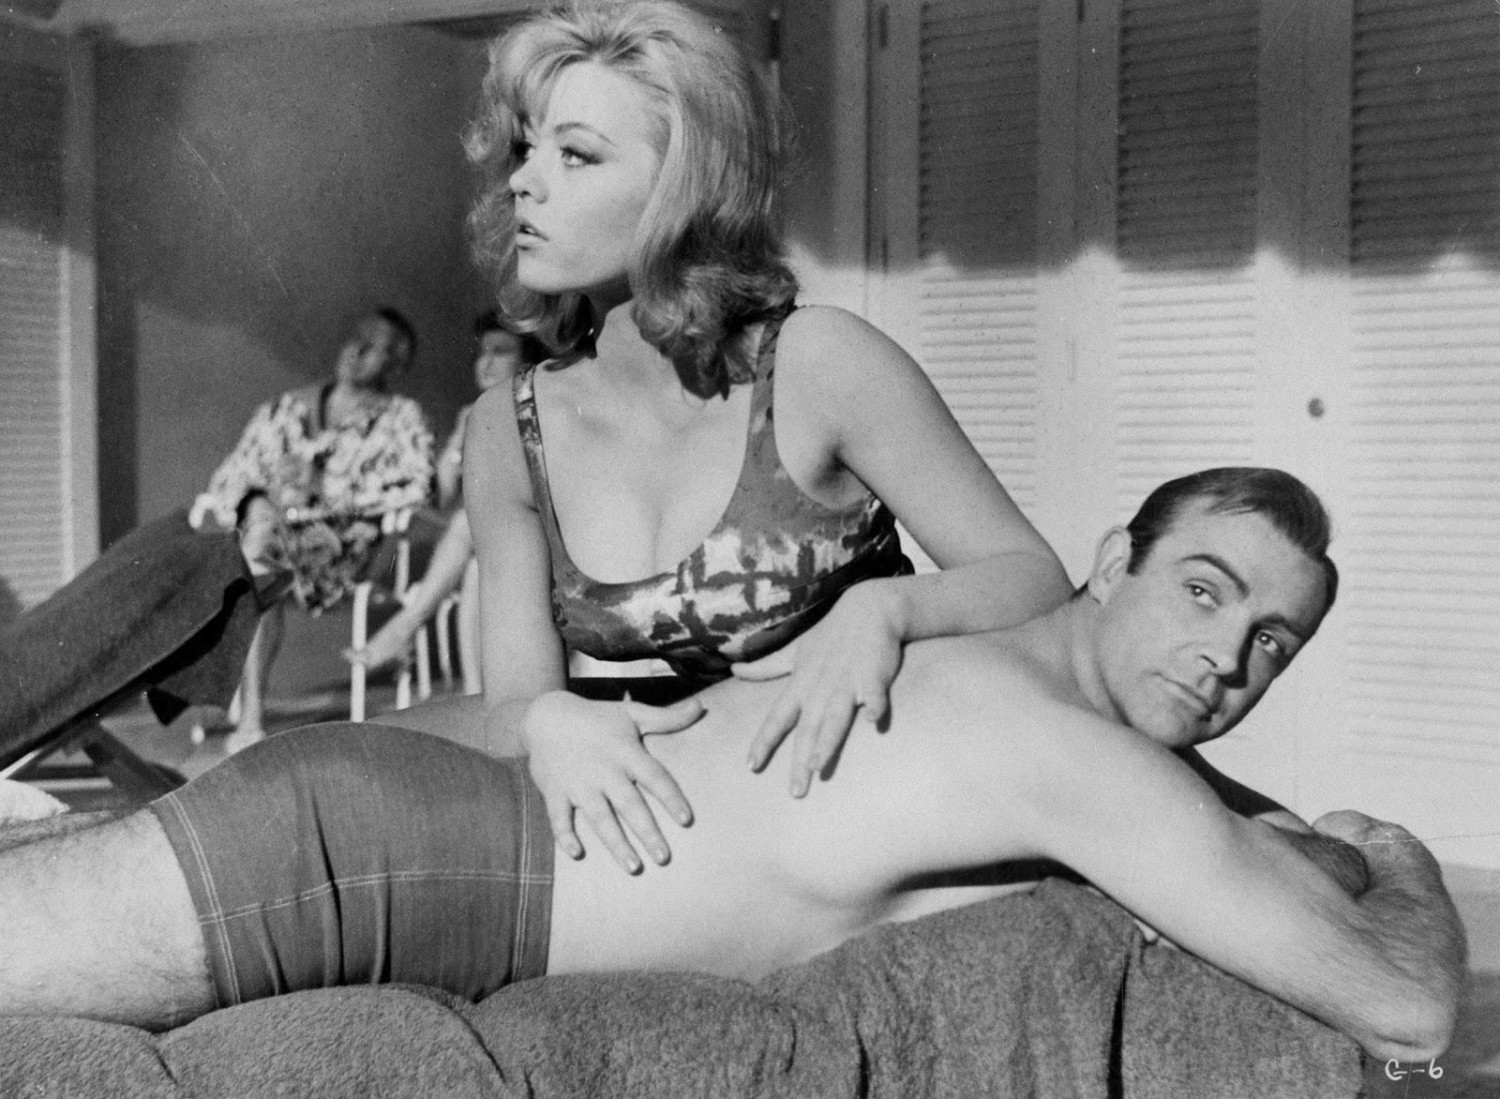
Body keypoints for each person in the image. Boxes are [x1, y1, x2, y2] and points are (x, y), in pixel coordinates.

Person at [0, 469, 1465, 1064]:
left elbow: (1214, 816)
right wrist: (1394, 855)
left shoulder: (1007, 663)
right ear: (1112, 558)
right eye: (1204, 592)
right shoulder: (1076, 758)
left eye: (1271, 641)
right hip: (394, 861)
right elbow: (1407, 999)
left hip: (415, 823)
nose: (1225, 657)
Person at [460, 0, 1073, 874]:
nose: (524, 181)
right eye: (525, 149)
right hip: (682, 862)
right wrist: (546, 718)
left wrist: (885, 609)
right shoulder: (506, 429)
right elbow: (510, 705)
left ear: (686, 184)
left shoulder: (820, 364)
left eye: (577, 154)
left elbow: (1035, 581)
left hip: (896, 823)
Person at [190, 307, 436, 750]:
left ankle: (247, 718)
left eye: (374, 345)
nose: (356, 350)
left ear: (397, 363)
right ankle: (248, 716)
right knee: (257, 551)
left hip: (343, 551)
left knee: (252, 563)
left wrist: (325, 487)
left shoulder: (400, 418)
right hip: (273, 539)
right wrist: (258, 501)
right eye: (355, 337)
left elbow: (419, 485)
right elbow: (228, 478)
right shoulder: (285, 409)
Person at [345, 312, 537, 693]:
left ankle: (406, 625)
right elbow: (440, 496)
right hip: (488, 547)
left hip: (535, 534)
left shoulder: (537, 409)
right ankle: (476, 696)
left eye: (500, 352)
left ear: (527, 361)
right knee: (475, 569)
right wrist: (457, 444)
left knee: (468, 522)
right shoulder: (473, 416)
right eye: (482, 353)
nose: (486, 362)